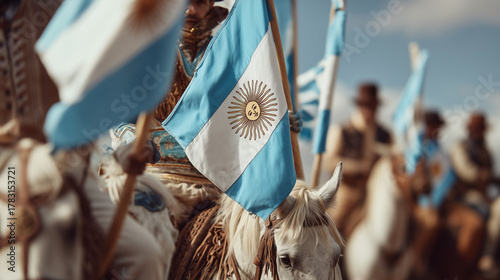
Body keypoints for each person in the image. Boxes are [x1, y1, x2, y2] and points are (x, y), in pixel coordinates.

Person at [0, 1, 164, 279]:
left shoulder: (57, 10)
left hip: (67, 165)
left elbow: (94, 96)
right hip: (7, 170)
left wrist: (121, 156)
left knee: (144, 254)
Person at [110, 0, 229, 228]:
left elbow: (242, 114)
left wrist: (272, 123)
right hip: (155, 178)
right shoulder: (145, 51)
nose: (190, 11)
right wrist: (133, 143)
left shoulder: (228, 57)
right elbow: (121, 113)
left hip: (218, 188)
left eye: (199, 2)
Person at [323, 83, 392, 237]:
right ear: (359, 106)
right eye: (366, 105)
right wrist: (359, 167)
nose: (370, 110)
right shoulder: (341, 130)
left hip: (375, 192)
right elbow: (329, 162)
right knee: (333, 228)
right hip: (348, 192)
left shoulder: (385, 134)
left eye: (372, 106)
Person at [450, 113, 498, 273]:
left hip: (484, 196)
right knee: (488, 213)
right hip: (463, 197)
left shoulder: (487, 152)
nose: (481, 132)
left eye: (482, 129)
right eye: (478, 129)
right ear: (471, 130)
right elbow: (466, 171)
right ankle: (485, 257)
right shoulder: (461, 147)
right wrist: (483, 175)